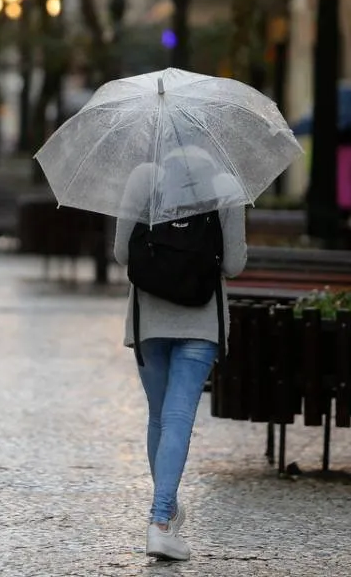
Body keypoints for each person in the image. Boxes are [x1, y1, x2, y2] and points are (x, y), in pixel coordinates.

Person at [113, 153, 247, 562]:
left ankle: (166, 510)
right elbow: (236, 265)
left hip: (150, 322)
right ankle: (159, 521)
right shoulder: (227, 186)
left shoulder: (142, 179)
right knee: (178, 419)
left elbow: (122, 254)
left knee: (159, 417)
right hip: (200, 322)